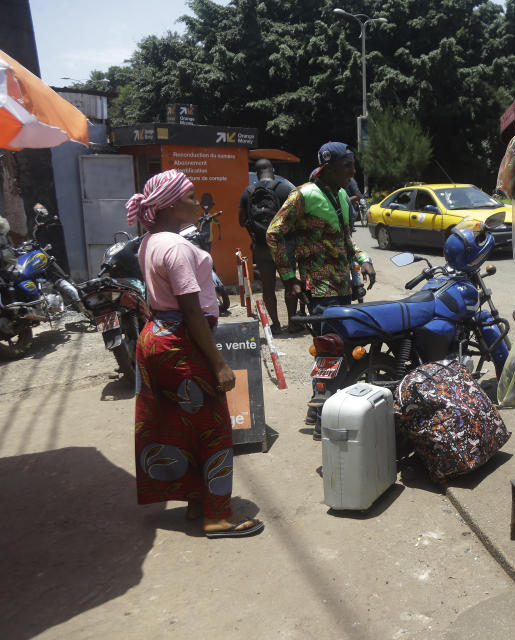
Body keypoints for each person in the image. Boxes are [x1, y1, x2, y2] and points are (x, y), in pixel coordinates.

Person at [127, 169, 264, 539]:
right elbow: (191, 310)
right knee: (213, 429)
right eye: (190, 197)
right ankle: (217, 515)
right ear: (170, 204)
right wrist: (219, 363)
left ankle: (195, 501)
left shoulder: (149, 241)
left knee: (176, 425)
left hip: (156, 338)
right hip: (182, 343)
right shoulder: (175, 247)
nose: (196, 203)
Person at [266, 141, 376, 426]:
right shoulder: (303, 195)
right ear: (328, 167)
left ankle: (328, 407)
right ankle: (320, 411)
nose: (352, 172)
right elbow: (274, 233)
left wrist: (363, 258)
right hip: (320, 289)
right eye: (346, 166)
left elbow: (345, 237)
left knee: (343, 348)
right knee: (329, 348)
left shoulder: (340, 194)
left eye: (353, 165)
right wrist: (289, 277)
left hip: (342, 288)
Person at [239, 158, 295, 333]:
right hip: (285, 245)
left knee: (268, 287)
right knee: (289, 284)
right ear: (273, 170)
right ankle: (293, 324)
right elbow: (297, 217)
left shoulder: (248, 192)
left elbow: (241, 220)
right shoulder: (286, 189)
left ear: (256, 174)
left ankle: (276, 325)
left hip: (262, 246)